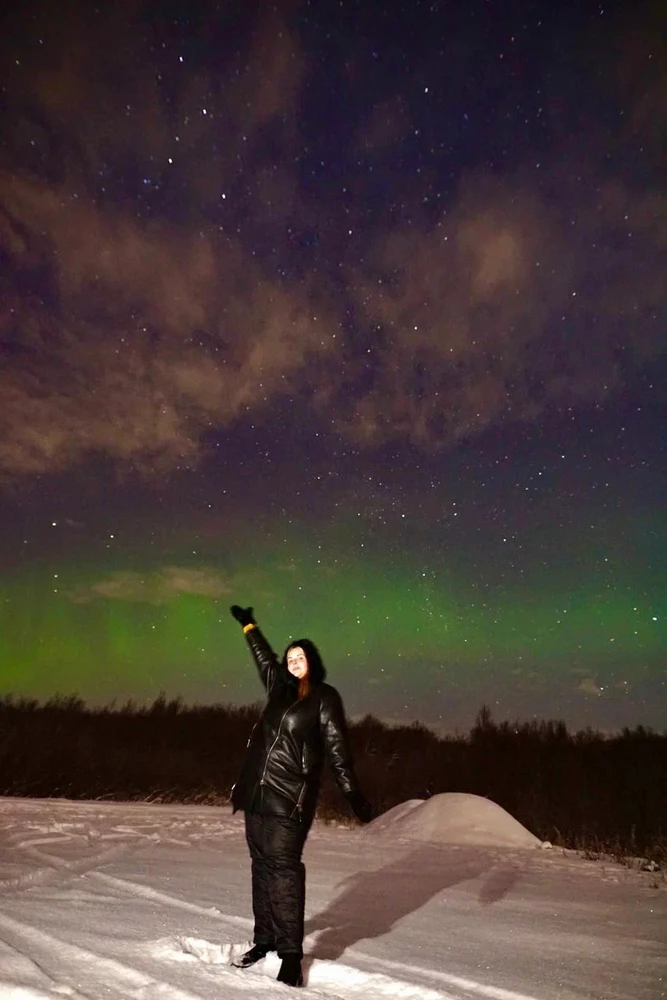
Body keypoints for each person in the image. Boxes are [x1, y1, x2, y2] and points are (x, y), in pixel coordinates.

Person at [229, 604, 373, 988]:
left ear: (312, 662)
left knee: (285, 870)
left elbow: (338, 748)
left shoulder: (324, 697)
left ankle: (290, 955)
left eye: (300, 657)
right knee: (260, 866)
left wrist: (352, 793)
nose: (293, 662)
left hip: (289, 797)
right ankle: (264, 941)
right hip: (256, 793)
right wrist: (249, 626)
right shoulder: (278, 688)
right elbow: (263, 657)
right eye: (290, 657)